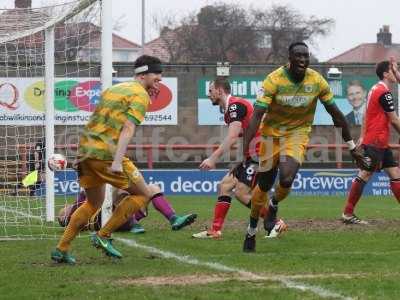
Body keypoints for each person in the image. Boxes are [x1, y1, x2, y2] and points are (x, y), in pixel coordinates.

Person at [241, 42, 368, 252]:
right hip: (271, 135)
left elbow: (336, 115)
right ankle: (251, 229)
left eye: (305, 56)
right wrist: (245, 147)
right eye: (298, 56)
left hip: (297, 134)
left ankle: (274, 204)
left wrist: (352, 146)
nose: (302, 60)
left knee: (287, 178)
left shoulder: (316, 81)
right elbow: (256, 115)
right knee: (262, 186)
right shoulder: (273, 80)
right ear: (289, 59)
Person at [51, 55, 167, 264]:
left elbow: (96, 120)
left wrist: (82, 154)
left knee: (93, 203)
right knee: (143, 194)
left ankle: (62, 248)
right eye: (157, 74)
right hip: (108, 153)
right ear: (143, 73)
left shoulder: (115, 89)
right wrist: (116, 160)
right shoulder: (140, 95)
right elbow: (128, 128)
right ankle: (103, 236)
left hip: (86, 151)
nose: (160, 78)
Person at [192, 77, 275, 239]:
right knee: (225, 185)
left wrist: (212, 158)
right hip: (251, 155)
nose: (208, 95)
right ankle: (215, 231)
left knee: (241, 193)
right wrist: (241, 160)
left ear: (219, 90)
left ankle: (275, 222)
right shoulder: (232, 108)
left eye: (210, 91)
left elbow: (231, 137)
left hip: (260, 153)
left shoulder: (234, 106)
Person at [342, 59, 400, 224]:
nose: (395, 73)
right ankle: (347, 213)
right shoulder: (384, 92)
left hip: (379, 142)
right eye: (392, 69)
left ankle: (347, 213)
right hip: (375, 141)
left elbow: (366, 115)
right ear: (385, 74)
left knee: (395, 174)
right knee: (365, 174)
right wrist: (365, 136)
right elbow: (395, 120)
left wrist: (362, 135)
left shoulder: (375, 88)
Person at [58, 184, 197, 233]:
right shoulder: (80, 206)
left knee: (153, 188)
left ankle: (174, 219)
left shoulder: (86, 196)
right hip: (106, 221)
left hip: (120, 214)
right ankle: (133, 224)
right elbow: (65, 219)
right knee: (118, 190)